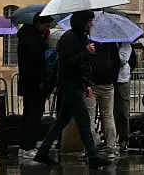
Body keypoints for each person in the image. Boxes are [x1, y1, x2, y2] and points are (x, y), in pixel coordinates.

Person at [34, 10, 109, 168]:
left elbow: (82, 65)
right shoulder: (68, 38)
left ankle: (42, 152)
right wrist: (85, 52)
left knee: (61, 121)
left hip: (76, 85)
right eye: (89, 20)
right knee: (84, 121)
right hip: (70, 86)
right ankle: (93, 156)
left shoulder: (82, 37)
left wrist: (86, 83)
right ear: (82, 22)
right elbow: (68, 62)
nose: (91, 24)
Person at [16, 13, 52, 161]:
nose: (47, 28)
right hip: (36, 84)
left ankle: (25, 146)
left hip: (28, 83)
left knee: (29, 114)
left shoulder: (27, 36)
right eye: (47, 25)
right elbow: (38, 64)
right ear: (38, 23)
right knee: (34, 115)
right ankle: (28, 146)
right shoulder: (34, 40)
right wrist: (43, 83)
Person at [86, 39, 120, 157]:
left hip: (91, 84)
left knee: (90, 116)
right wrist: (113, 79)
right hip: (107, 83)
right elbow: (116, 62)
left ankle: (90, 147)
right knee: (108, 116)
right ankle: (111, 148)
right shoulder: (110, 42)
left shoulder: (88, 42)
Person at [114, 42, 137, 153]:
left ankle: (124, 139)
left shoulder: (125, 43)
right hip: (108, 79)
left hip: (121, 79)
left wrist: (111, 56)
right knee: (109, 112)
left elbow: (123, 60)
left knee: (122, 111)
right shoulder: (107, 42)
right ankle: (110, 138)